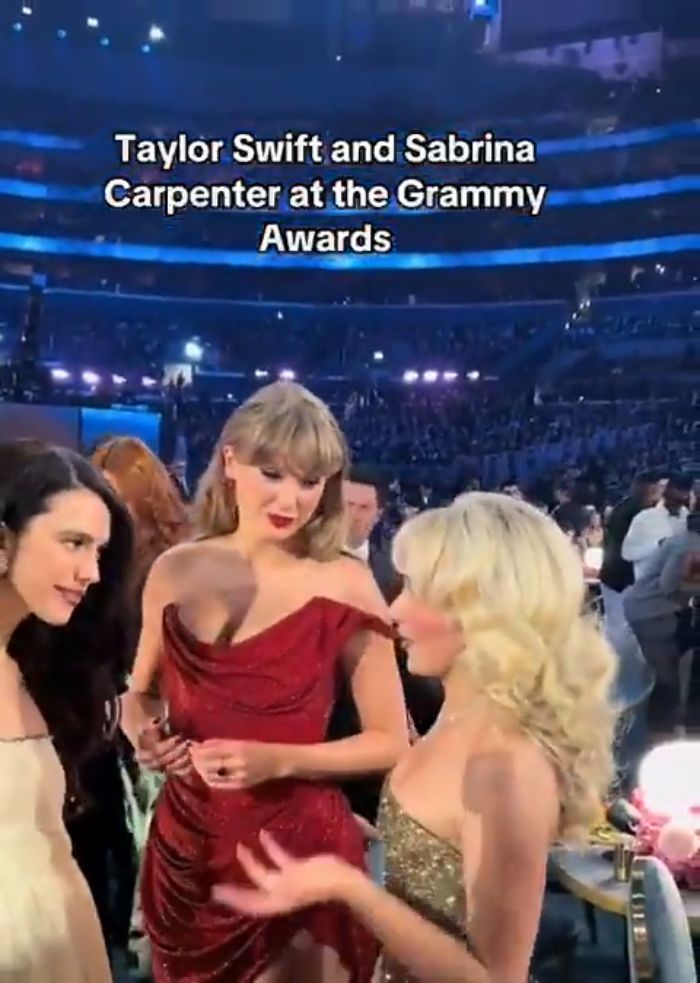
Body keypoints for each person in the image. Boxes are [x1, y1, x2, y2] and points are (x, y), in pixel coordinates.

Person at [215, 493, 616, 983]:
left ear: (484, 610)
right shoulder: (457, 713)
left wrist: (350, 889)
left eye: (417, 590)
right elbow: (439, 851)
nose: (394, 608)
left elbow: (494, 979)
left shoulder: (503, 764)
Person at [121, 382, 409, 983]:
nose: (292, 498)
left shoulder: (347, 584)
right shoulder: (174, 570)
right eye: (272, 473)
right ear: (230, 460)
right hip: (187, 856)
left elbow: (389, 740)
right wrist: (147, 736)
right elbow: (139, 693)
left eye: (310, 481)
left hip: (297, 855)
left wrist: (277, 758)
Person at [0, 438, 134, 982]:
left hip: (57, 940)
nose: (92, 572)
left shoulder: (30, 666)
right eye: (74, 543)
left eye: (99, 552)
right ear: (4, 538)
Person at [88, 436, 191, 972]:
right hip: (110, 721)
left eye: (115, 496)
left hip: (160, 724)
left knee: (154, 851)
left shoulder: (171, 560)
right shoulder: (102, 557)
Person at [624, 506, 700, 737]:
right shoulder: (691, 547)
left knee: (668, 675)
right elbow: (669, 586)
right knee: (664, 678)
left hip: (657, 611)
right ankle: (656, 735)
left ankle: (663, 729)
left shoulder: (687, 541)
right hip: (652, 612)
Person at [622, 473, 693, 581]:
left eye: (682, 497)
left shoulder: (688, 519)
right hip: (647, 586)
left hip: (677, 587)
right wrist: (658, 545)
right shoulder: (644, 518)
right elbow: (627, 554)